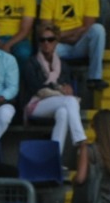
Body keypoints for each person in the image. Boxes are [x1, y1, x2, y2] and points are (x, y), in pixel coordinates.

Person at [23, 23, 87, 156]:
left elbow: (67, 88)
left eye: (50, 39)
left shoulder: (63, 65)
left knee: (63, 112)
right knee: (69, 102)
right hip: (35, 104)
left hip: (56, 103)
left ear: (57, 41)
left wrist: (65, 90)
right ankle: (81, 141)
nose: (46, 43)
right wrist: (60, 91)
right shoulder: (31, 63)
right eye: (42, 39)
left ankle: (55, 157)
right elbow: (39, 90)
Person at [39, 0, 108, 91]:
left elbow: (88, 26)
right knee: (45, 46)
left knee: (98, 29)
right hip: (59, 44)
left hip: (81, 42)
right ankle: (49, 84)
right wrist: (70, 34)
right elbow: (47, 31)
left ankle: (95, 78)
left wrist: (61, 34)